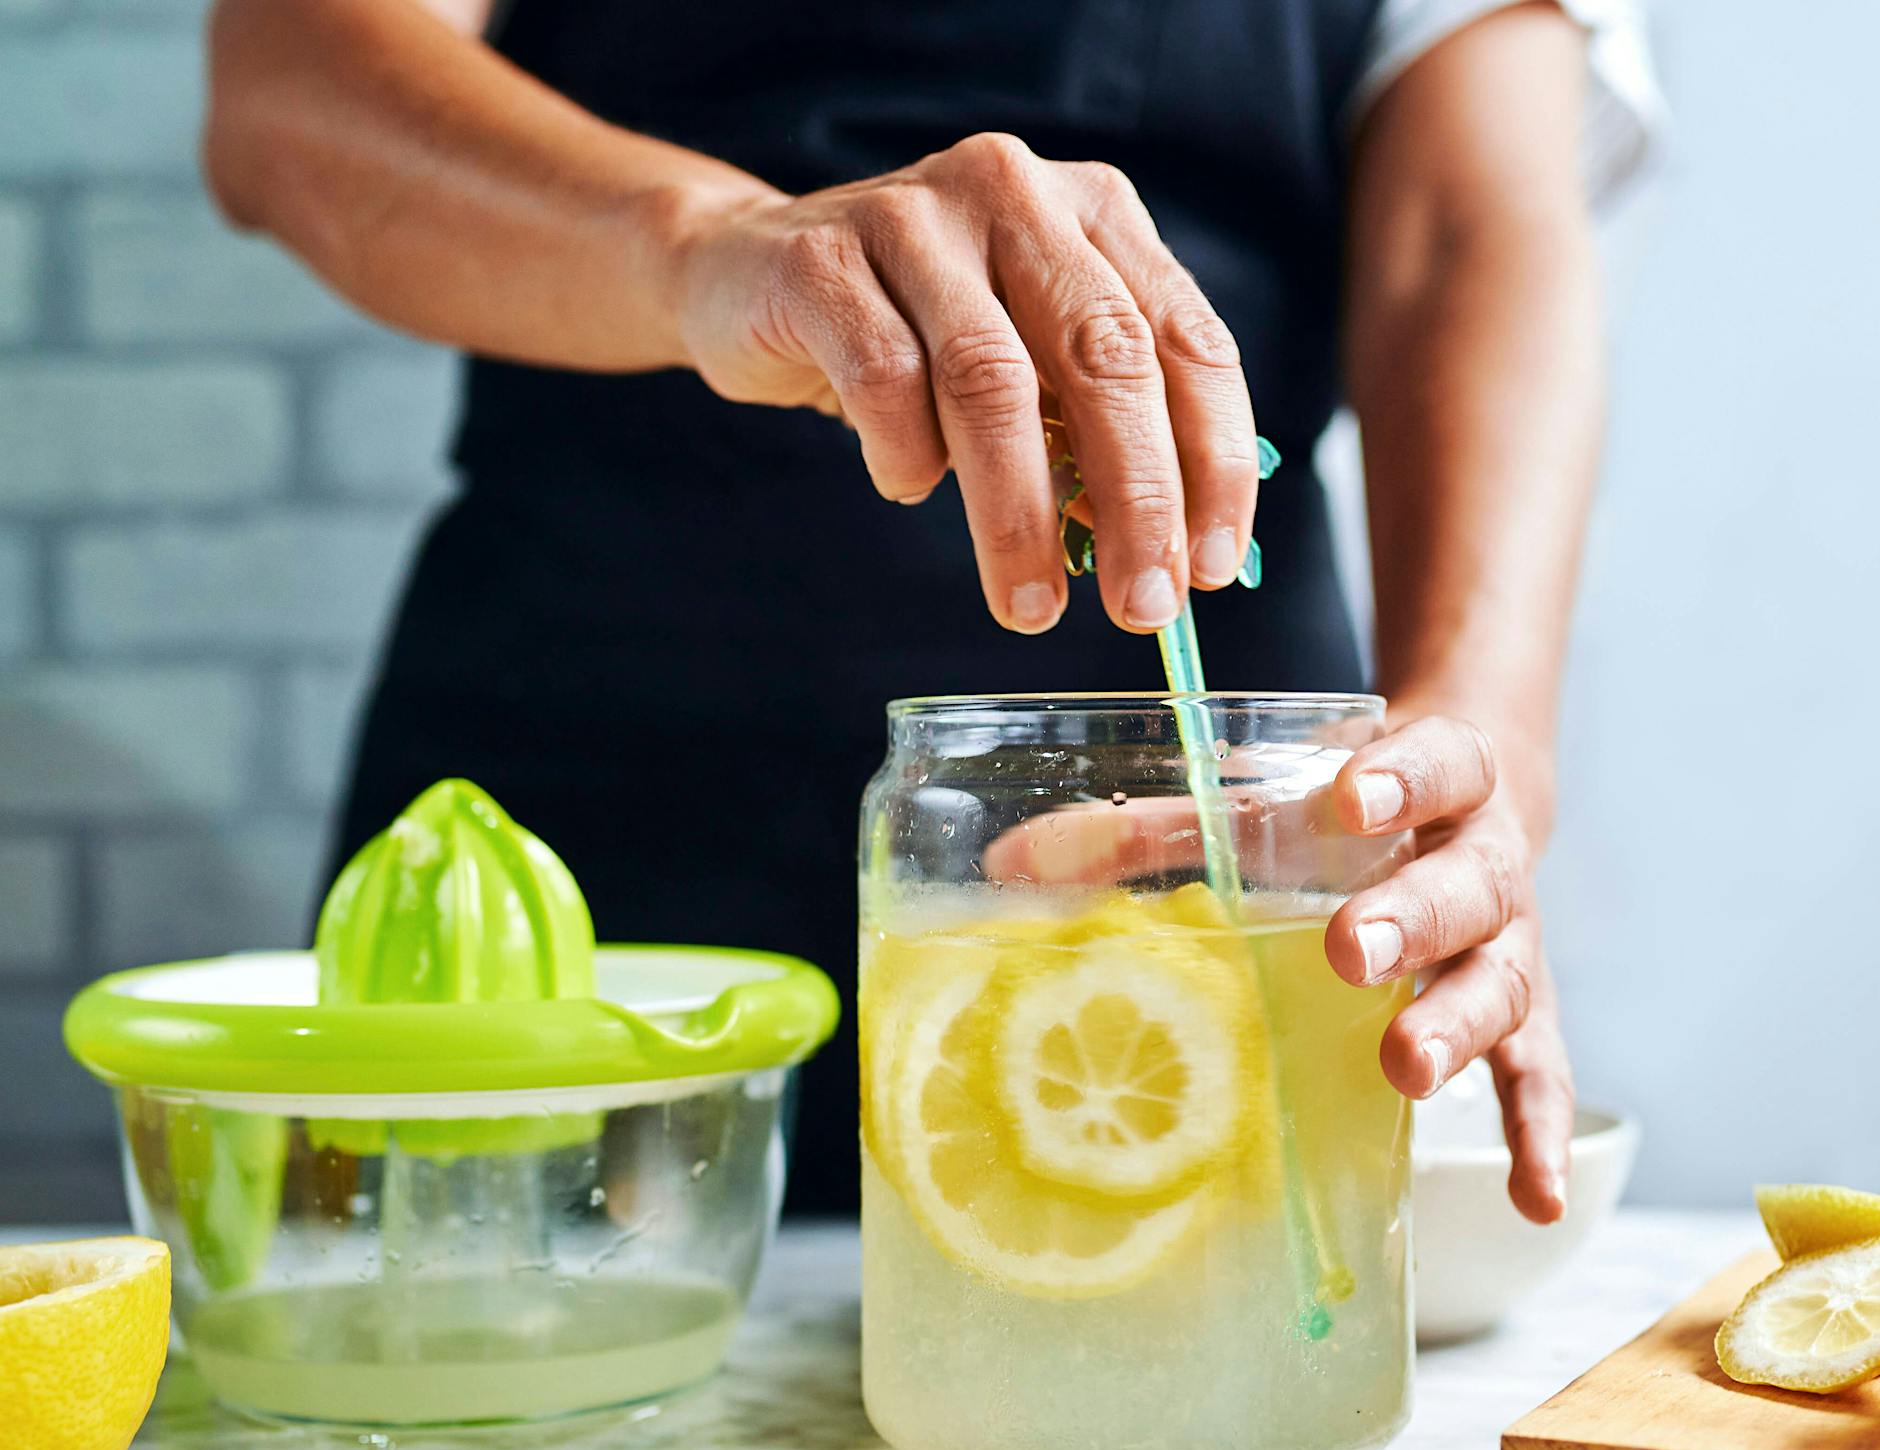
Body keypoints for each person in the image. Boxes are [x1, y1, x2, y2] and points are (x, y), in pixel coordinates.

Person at [202, 0, 1659, 1218]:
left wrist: (1479, 741)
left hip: (1212, 837)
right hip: (583, 800)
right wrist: (713, 244)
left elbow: (1473, 232)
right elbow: (291, 90)